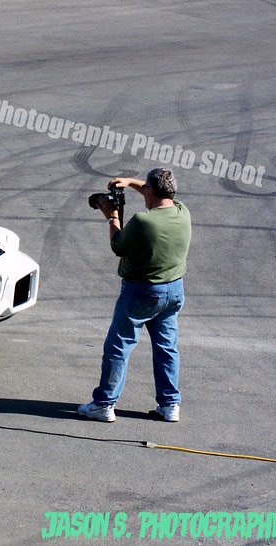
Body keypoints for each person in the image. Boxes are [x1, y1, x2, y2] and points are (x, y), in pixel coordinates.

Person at [78, 167, 192, 423]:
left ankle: (104, 404)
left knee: (118, 346)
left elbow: (118, 245)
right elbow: (157, 191)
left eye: (145, 188)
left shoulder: (143, 221)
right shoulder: (182, 212)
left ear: (150, 190)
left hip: (141, 292)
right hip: (173, 291)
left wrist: (112, 216)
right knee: (166, 348)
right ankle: (170, 404)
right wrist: (130, 182)